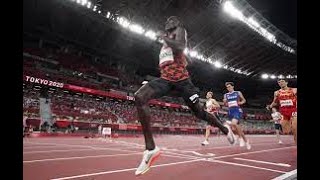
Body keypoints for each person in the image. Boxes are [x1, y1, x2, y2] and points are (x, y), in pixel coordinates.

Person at [134, 16, 235, 176]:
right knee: (139, 97)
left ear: (177, 24)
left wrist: (166, 38)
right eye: (166, 20)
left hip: (183, 82)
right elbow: (185, 57)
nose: (169, 21)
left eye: (172, 20)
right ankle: (151, 149)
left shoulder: (179, 31)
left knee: (199, 113)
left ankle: (224, 129)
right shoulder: (166, 44)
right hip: (166, 80)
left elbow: (180, 45)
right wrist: (186, 58)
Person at [267, 78, 297, 144]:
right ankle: (292, 128)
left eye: (282, 81)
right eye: (279, 82)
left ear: (286, 82)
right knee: (286, 131)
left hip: (293, 110)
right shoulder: (277, 92)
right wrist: (270, 106)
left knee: (295, 126)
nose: (281, 83)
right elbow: (275, 102)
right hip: (283, 112)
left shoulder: (294, 90)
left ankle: (295, 139)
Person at [223, 82, 251, 150]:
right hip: (230, 111)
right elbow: (226, 104)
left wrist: (240, 102)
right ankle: (246, 141)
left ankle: (240, 138)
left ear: (233, 86)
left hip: (237, 110)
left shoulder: (238, 93)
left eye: (229, 86)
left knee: (233, 123)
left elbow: (244, 100)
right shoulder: (226, 95)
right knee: (235, 128)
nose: (228, 88)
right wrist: (224, 102)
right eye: (227, 87)